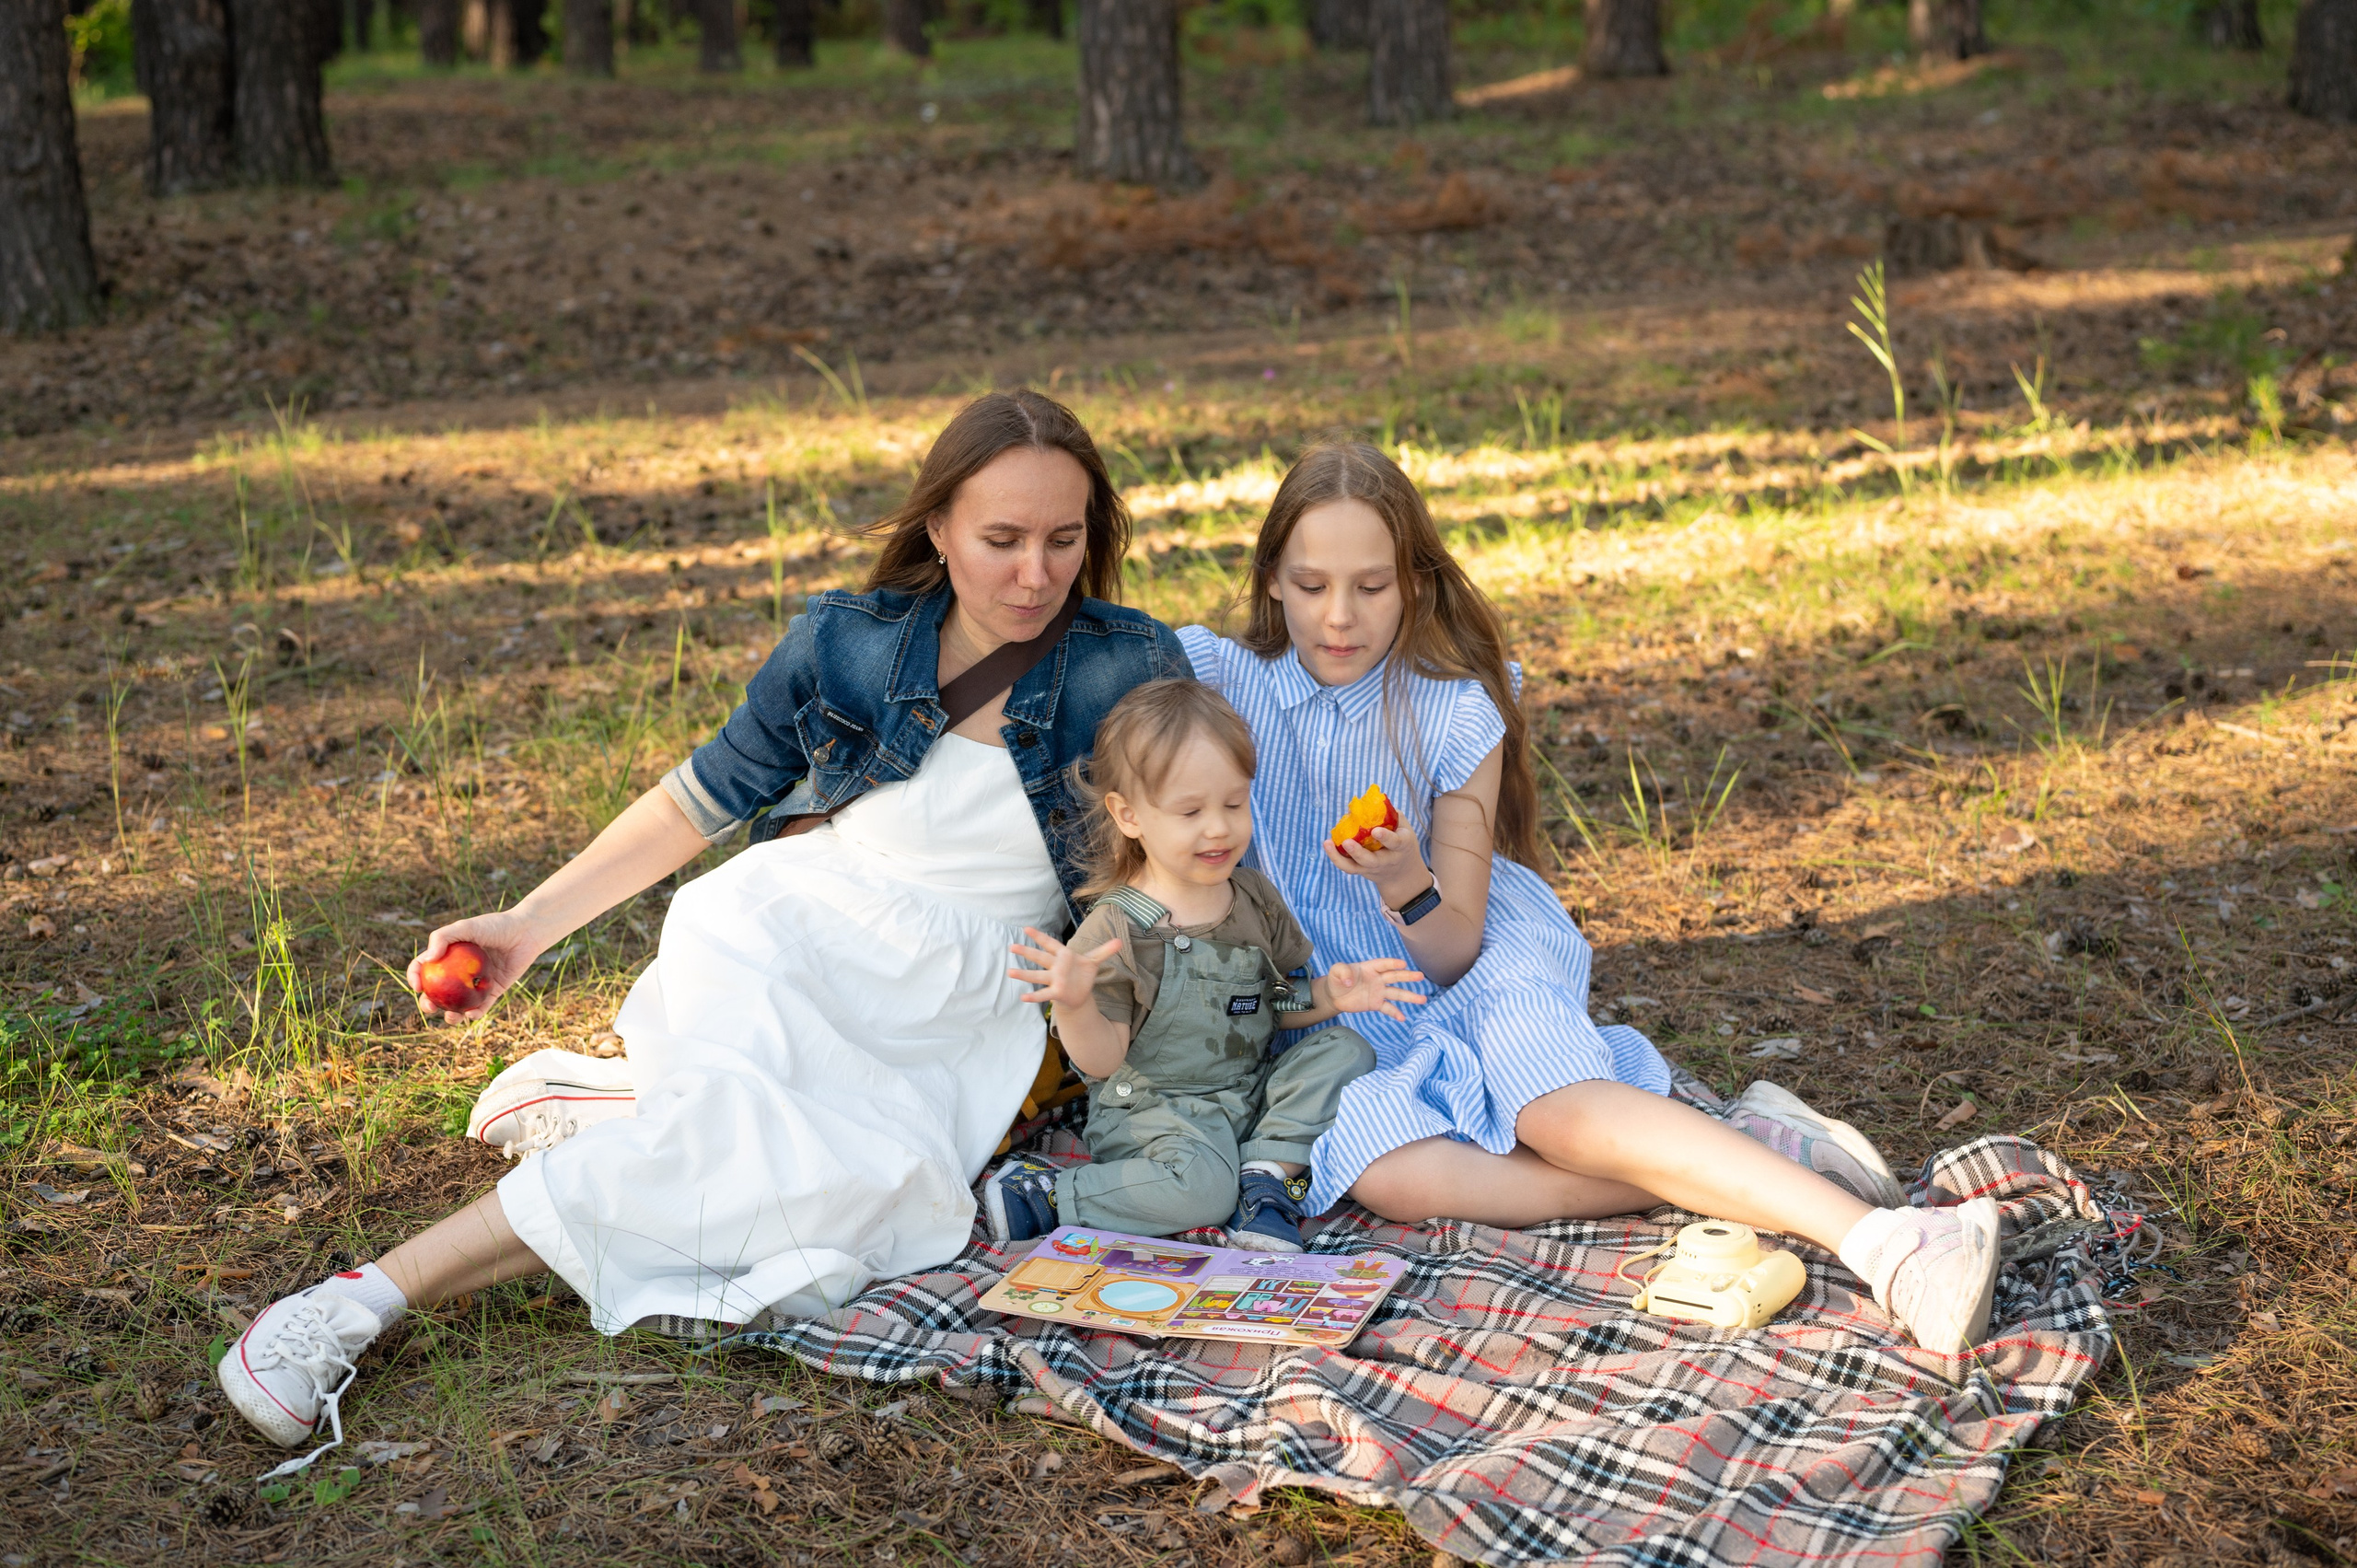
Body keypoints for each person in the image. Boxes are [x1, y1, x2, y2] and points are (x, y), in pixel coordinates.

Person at [214, 390, 1190, 1469]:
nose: (1035, 575)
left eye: (1064, 539)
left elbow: (1166, 869)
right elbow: (699, 796)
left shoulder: (1129, 667)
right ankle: (353, 1302)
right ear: (938, 529)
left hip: (965, 995)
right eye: (1001, 540)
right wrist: (530, 925)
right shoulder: (849, 641)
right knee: (726, 1148)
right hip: (790, 930)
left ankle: (614, 1106)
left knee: (852, 1219)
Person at [1174, 442, 2001, 1353]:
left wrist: (1404, 878)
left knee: (1551, 1115)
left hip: (1473, 951)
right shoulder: (1221, 680)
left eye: (1370, 586)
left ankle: (1888, 1241)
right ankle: (1737, 1144)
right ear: (1271, 581)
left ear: (1412, 581)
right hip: (1347, 997)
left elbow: (1452, 945)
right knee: (1390, 1175)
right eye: (1310, 584)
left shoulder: (1453, 709)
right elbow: (1073, 642)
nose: (1338, 616)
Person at [982, 681, 1417, 1251]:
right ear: (1129, 815)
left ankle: (1263, 1181)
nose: (1219, 827)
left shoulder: (1253, 897)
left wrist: (1330, 999)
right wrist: (1074, 1001)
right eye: (1191, 811)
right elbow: (1101, 1059)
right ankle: (1050, 1195)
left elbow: (1271, 1005)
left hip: (1245, 1090)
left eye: (1234, 804)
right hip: (1154, 1112)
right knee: (1201, 1190)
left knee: (1348, 1050)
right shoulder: (1117, 929)